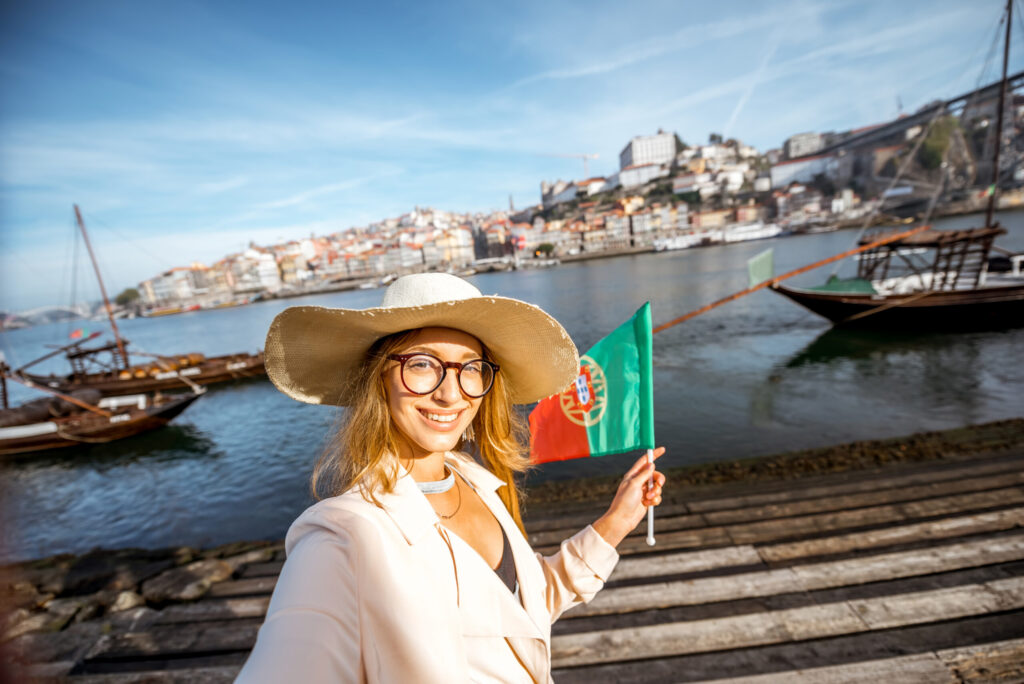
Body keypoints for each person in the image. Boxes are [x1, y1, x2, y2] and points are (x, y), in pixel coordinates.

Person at [236, 273, 666, 683]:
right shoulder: (343, 538)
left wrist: (617, 521)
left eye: (470, 367)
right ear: (378, 377)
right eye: (422, 364)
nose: (450, 392)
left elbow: (521, 618)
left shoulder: (476, 481)